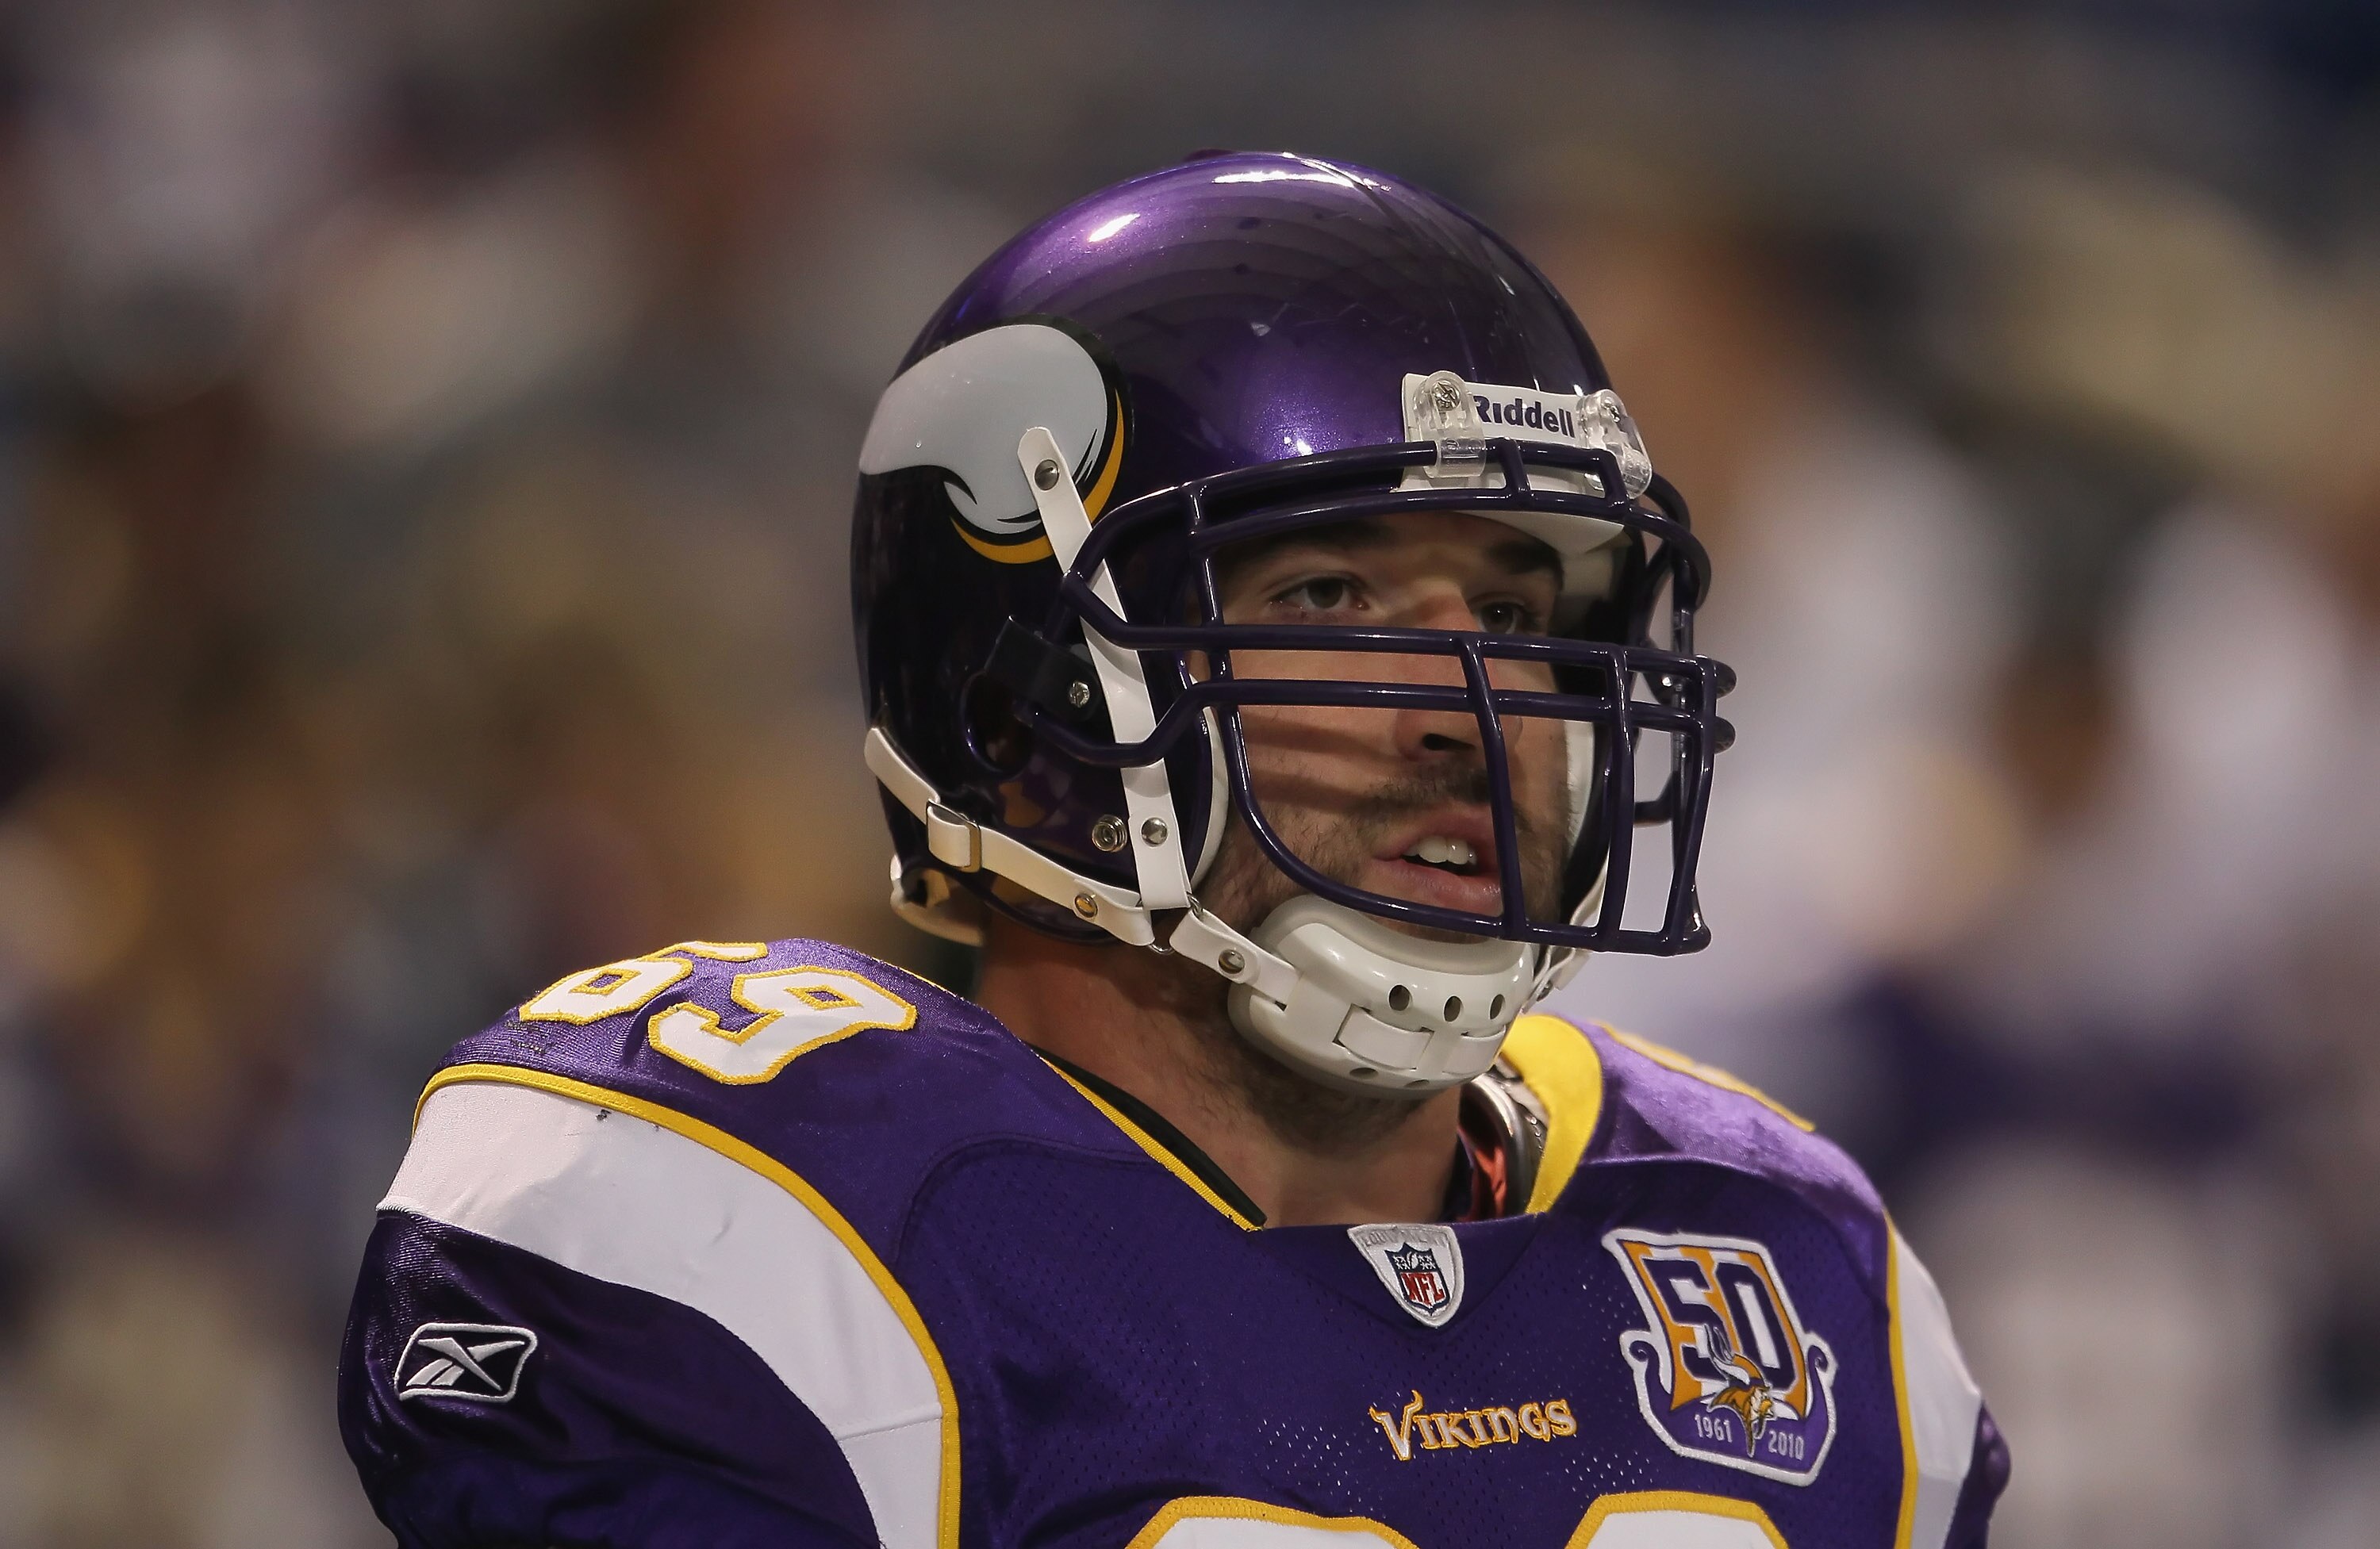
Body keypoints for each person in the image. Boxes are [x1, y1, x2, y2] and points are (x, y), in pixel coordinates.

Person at [336, 151, 2007, 1548]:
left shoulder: (1782, 1256)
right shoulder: (771, 1230)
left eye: (1512, 611)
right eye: (1330, 600)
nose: (1472, 714)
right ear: (1024, 713)